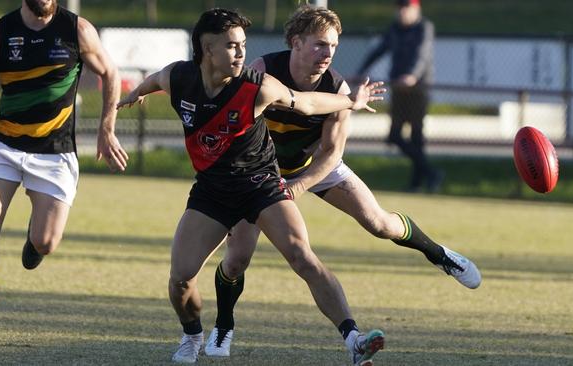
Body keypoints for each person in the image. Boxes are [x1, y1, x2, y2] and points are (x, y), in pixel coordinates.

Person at [204, 5, 481, 359]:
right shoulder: (263, 70)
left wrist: (299, 186)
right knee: (237, 258)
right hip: (258, 171)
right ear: (296, 43)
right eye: (320, 45)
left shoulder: (338, 88)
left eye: (333, 46)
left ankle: (440, 255)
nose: (327, 53)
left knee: (379, 223)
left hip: (312, 166)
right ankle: (223, 327)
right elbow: (233, 123)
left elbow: (332, 156)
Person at [117, 8, 386, 365]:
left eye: (243, 45)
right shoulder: (181, 77)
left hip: (261, 185)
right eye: (231, 46)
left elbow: (305, 103)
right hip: (212, 191)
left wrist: (352, 101)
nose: (241, 53)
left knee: (302, 257)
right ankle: (192, 334)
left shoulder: (256, 85)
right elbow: (155, 79)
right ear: (207, 49)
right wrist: (137, 91)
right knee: (180, 280)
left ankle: (353, 339)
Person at [0, 0, 128, 330]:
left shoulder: (78, 30)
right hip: (3, 144)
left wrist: (107, 130)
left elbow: (110, 74)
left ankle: (34, 240)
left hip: (55, 150)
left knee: (46, 242)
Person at [356, 0, 442, 192]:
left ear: (416, 9)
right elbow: (379, 50)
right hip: (398, 86)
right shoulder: (395, 28)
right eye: (400, 8)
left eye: (407, 8)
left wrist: (412, 75)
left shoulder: (424, 28)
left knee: (416, 136)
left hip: (418, 88)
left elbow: (422, 54)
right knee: (394, 136)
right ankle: (430, 174)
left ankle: (417, 183)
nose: (402, 12)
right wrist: (361, 70)